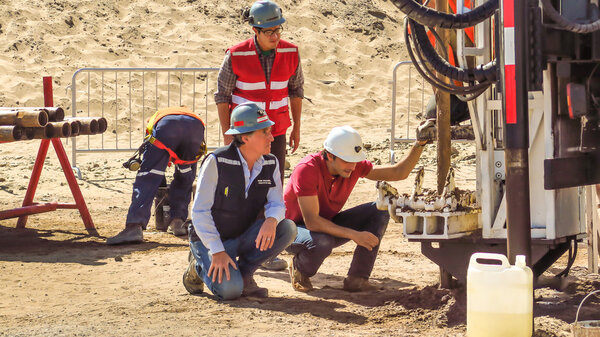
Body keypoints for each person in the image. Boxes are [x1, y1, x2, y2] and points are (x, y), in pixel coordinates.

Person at [214, 0, 304, 271]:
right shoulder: (236, 55)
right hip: (244, 135)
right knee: (242, 188)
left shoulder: (291, 52)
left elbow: (296, 91)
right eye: (269, 32)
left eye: (278, 30)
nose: (276, 36)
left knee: (270, 186)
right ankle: (234, 241)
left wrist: (296, 127)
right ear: (255, 29)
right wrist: (229, 136)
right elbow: (222, 96)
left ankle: (266, 248)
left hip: (275, 132)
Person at [284, 126, 427, 292]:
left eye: (355, 161)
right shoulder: (307, 169)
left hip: (324, 225)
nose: (352, 167)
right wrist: (354, 235)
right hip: (291, 231)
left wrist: (419, 143)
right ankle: (300, 268)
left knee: (380, 210)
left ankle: (357, 279)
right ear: (329, 155)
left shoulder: (352, 166)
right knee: (322, 241)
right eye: (347, 160)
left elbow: (398, 172)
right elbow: (312, 222)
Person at [183, 103, 297, 300]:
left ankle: (245, 274)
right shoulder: (217, 161)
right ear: (245, 138)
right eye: (265, 132)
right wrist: (216, 251)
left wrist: (271, 221)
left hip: (243, 236)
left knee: (286, 228)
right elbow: (200, 212)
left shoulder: (271, 162)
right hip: (211, 241)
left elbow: (277, 203)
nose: (272, 137)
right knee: (230, 291)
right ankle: (198, 264)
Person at [107, 107, 206, 245]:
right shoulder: (187, 115)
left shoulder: (154, 122)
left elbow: (153, 151)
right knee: (185, 175)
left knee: (148, 177)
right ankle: (177, 222)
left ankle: (134, 226)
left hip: (166, 129)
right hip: (196, 128)